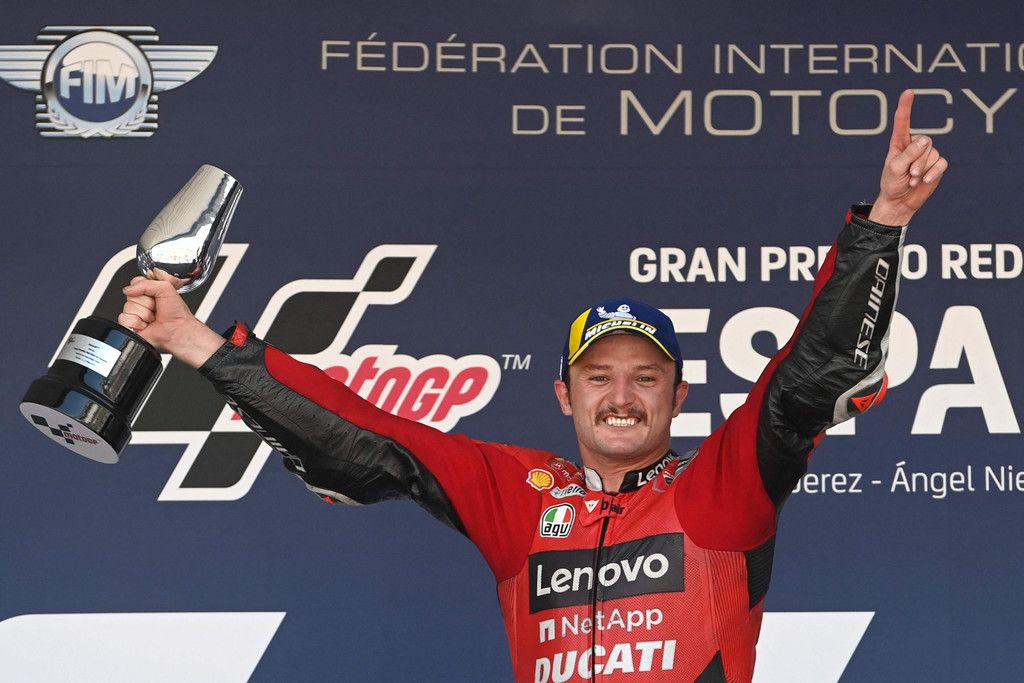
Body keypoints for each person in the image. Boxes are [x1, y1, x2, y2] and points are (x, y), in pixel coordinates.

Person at [119, 89, 946, 682]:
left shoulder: (719, 490)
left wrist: (883, 223)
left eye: (645, 377)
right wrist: (192, 339)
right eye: (598, 376)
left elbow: (804, 378)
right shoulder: (521, 494)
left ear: (680, 397)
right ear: (564, 395)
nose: (620, 395)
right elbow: (374, 439)